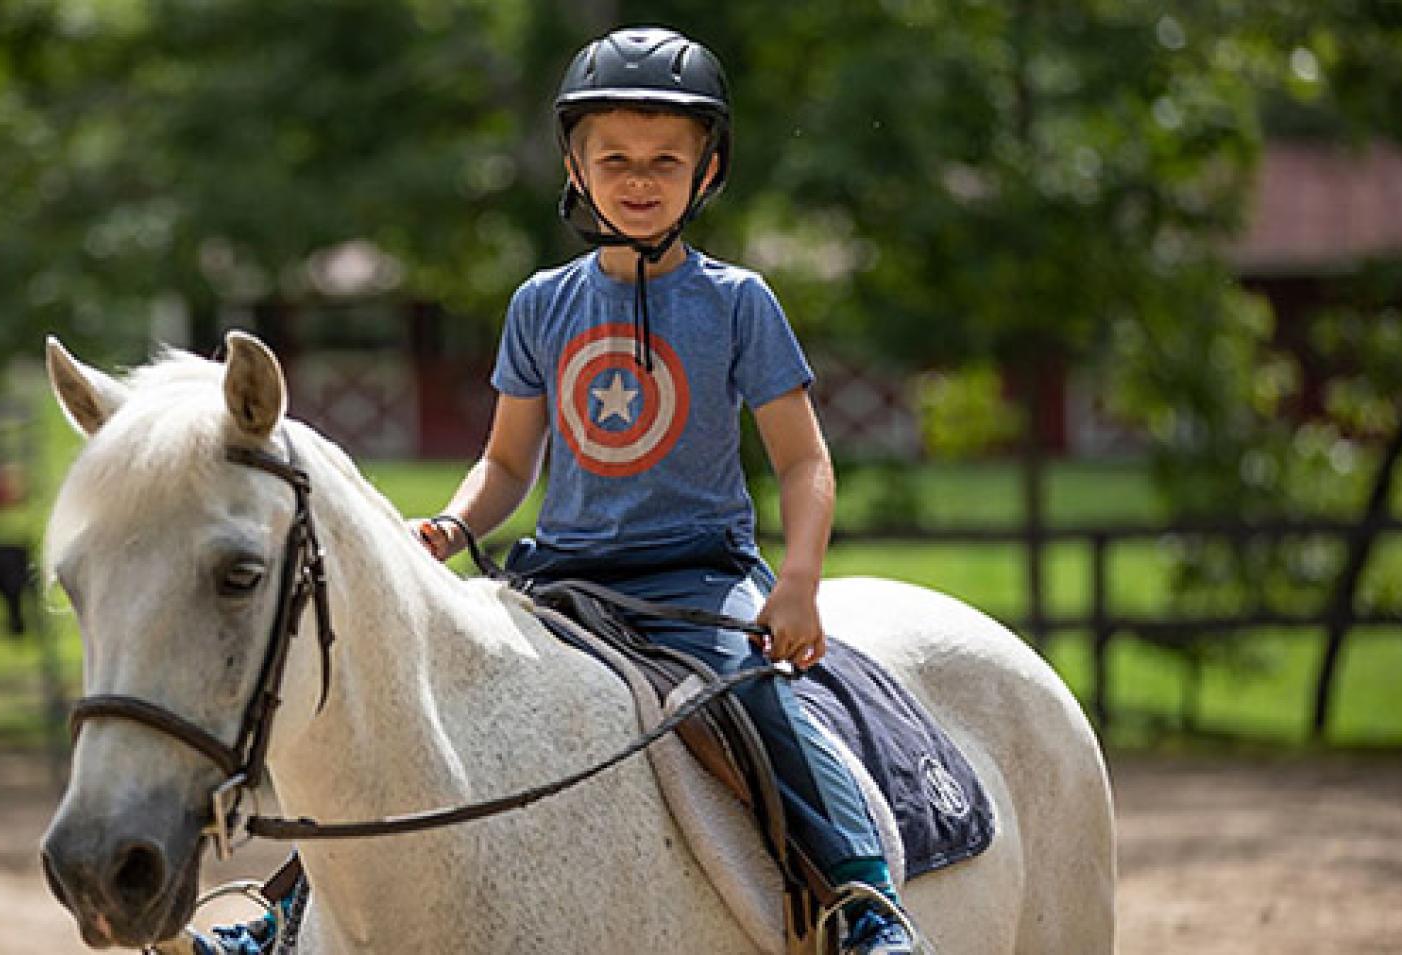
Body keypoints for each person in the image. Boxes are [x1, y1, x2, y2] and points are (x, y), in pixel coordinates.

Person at [191, 26, 912, 955]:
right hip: (562, 579)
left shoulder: (740, 303)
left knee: (760, 706)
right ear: (575, 164)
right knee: (416, 724)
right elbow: (506, 463)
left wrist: (800, 579)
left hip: (697, 579)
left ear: (710, 169)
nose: (639, 179)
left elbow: (805, 461)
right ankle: (280, 917)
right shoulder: (541, 304)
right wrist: (454, 523)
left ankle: (863, 907)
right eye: (615, 158)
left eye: (665, 160)